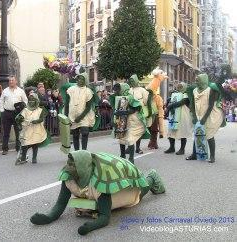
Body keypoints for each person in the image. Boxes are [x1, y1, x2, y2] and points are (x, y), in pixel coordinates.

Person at [30, 150, 165, 235]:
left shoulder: (100, 182)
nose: (68, 167)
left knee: (137, 195)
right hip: (93, 195)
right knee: (88, 205)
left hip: (120, 187)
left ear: (83, 167)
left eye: (73, 165)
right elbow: (60, 204)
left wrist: (90, 227)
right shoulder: (68, 177)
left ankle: (152, 178)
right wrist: (48, 218)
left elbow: (105, 217)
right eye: (68, 163)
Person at [186, 74, 225, 163]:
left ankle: (212, 156)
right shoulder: (195, 90)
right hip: (198, 114)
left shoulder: (210, 90)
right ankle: (194, 154)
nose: (196, 82)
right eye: (196, 80)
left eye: (198, 80)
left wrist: (204, 118)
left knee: (209, 135)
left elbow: (210, 106)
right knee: (197, 134)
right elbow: (193, 104)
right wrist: (194, 116)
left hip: (210, 115)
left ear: (203, 80)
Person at [110, 83, 149, 163]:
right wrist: (113, 120)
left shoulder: (130, 97)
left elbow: (135, 109)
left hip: (133, 120)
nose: (116, 92)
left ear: (123, 89)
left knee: (130, 139)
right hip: (122, 119)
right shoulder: (116, 97)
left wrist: (122, 112)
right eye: (115, 90)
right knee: (121, 137)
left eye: (118, 90)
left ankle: (131, 158)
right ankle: (123, 156)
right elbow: (115, 109)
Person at [15, 93, 50, 164]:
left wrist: (36, 121)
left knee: (35, 144)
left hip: (37, 129)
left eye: (33, 100)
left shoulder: (40, 110)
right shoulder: (25, 110)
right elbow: (20, 118)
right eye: (30, 100)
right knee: (25, 144)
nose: (31, 102)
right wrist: (19, 121)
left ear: (36, 101)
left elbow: (41, 119)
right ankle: (23, 158)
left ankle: (34, 158)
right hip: (27, 129)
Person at [65, 73, 95, 151]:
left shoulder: (88, 91)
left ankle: (84, 150)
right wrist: (66, 117)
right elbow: (67, 104)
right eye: (78, 78)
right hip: (73, 116)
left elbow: (88, 107)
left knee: (85, 132)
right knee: (75, 135)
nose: (79, 80)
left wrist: (80, 117)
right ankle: (77, 152)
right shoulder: (71, 90)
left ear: (85, 80)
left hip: (85, 116)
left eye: (82, 79)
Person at [0, 76, 28, 155]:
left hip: (17, 113)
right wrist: (2, 111)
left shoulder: (21, 91)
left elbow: (25, 100)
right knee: (6, 132)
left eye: (12, 80)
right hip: (7, 113)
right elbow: (1, 100)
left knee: (18, 131)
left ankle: (18, 148)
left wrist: (23, 109)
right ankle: (5, 149)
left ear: (16, 82)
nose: (11, 81)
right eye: (10, 80)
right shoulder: (5, 91)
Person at [164, 82, 193, 155]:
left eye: (181, 87)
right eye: (178, 87)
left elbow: (180, 103)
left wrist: (170, 106)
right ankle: (172, 147)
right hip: (174, 116)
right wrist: (169, 103)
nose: (179, 88)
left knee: (182, 132)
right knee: (171, 132)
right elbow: (169, 101)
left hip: (183, 116)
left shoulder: (186, 95)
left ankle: (182, 149)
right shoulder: (174, 95)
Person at [128, 74, 151, 154]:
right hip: (129, 114)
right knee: (129, 131)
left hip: (139, 114)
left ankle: (138, 148)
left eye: (133, 80)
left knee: (138, 131)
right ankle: (129, 147)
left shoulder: (142, 90)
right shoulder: (129, 90)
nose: (132, 82)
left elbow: (145, 102)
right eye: (130, 81)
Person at [146, 68, 168, 149]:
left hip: (155, 114)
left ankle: (153, 143)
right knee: (151, 129)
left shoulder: (157, 98)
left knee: (154, 129)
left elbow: (160, 109)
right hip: (149, 114)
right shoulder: (149, 96)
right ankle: (152, 142)